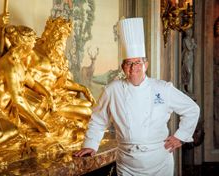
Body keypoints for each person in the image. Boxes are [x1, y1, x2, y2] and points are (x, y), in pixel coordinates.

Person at [74, 17, 200, 176]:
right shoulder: (113, 90)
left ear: (145, 65)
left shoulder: (163, 88)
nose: (134, 68)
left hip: (159, 162)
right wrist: (91, 144)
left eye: (138, 63)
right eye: (129, 63)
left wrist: (180, 137)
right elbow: (99, 119)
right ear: (123, 67)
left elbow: (191, 109)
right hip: (127, 164)